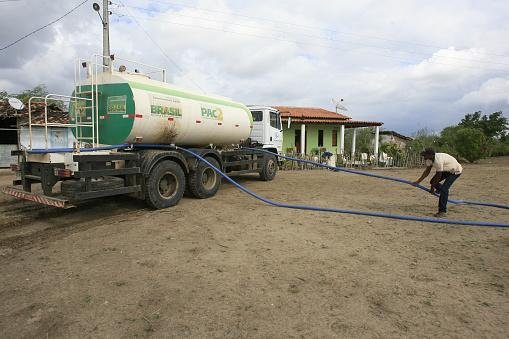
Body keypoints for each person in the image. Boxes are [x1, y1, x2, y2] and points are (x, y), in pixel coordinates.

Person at [413, 148, 463, 217]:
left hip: (455, 171)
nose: (424, 157)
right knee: (433, 182)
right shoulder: (429, 160)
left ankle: (442, 211)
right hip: (446, 169)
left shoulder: (438, 160)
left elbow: (438, 176)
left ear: (431, 155)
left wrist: (432, 188)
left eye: (425, 155)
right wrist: (418, 182)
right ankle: (440, 190)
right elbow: (427, 172)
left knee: (444, 189)